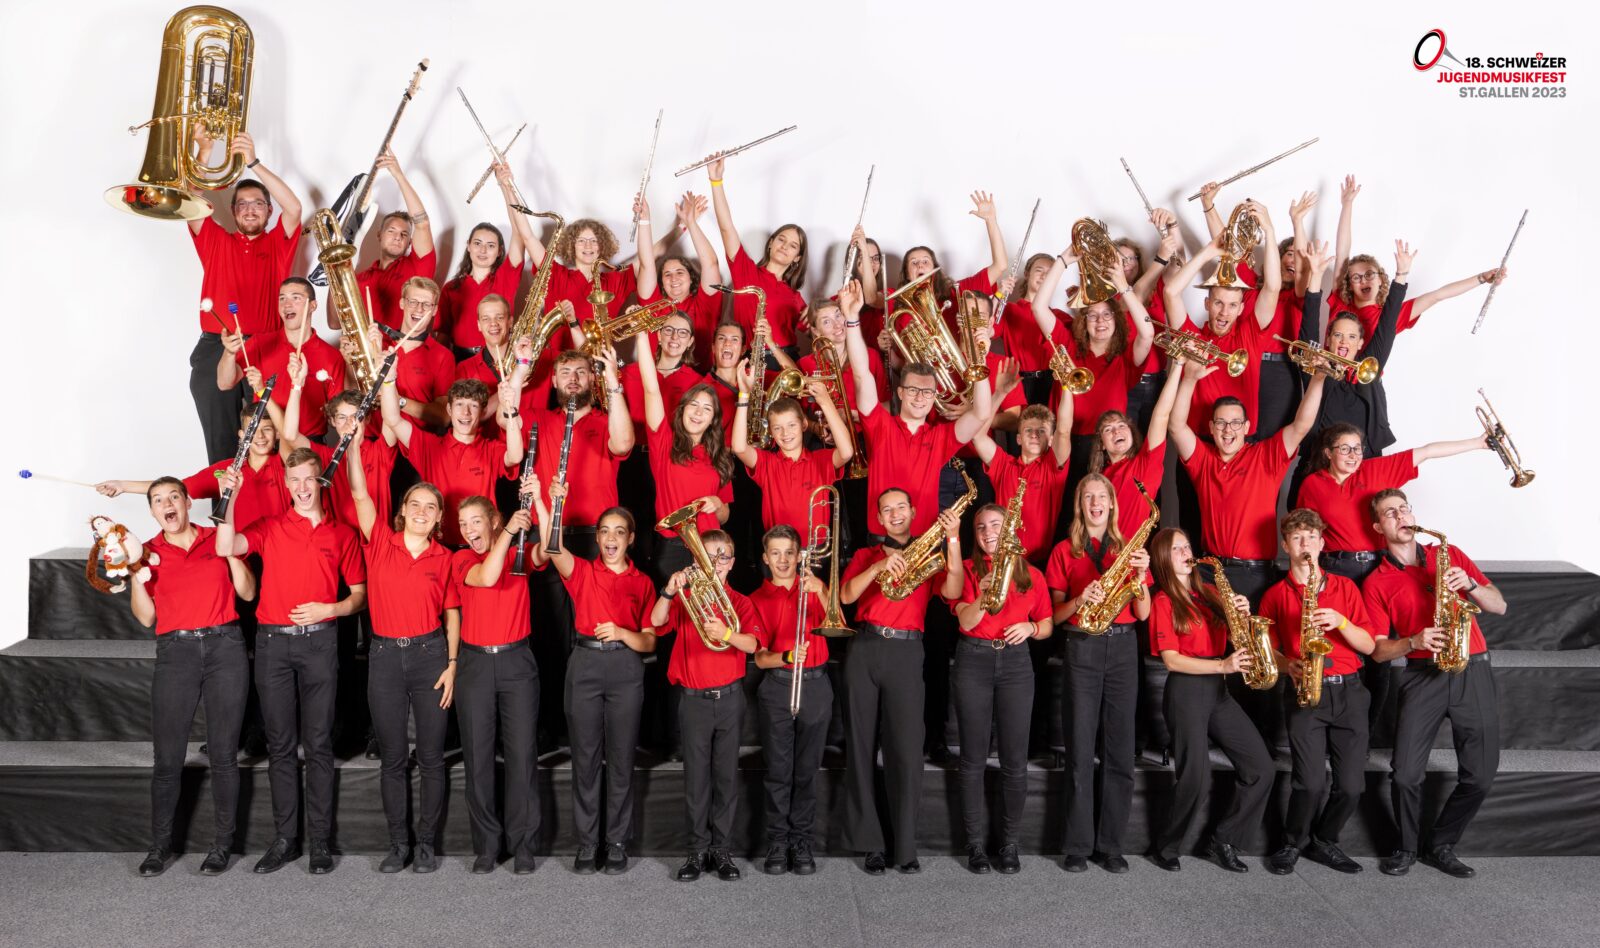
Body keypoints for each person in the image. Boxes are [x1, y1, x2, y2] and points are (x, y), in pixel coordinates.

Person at [214, 448, 366, 875]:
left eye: (308, 479)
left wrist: (331, 609)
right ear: (287, 484)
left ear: (322, 481)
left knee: (318, 744)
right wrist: (229, 497)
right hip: (273, 646)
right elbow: (226, 545)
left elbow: (360, 595)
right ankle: (285, 840)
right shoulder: (270, 526)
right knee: (280, 745)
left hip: (320, 643)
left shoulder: (342, 534)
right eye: (294, 479)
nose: (302, 487)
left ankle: (320, 841)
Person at [1363, 489, 1508, 879]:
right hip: (1422, 674)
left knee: (1481, 776)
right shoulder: (1376, 582)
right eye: (1390, 513)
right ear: (1378, 527)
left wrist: (1471, 585)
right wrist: (1412, 641)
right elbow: (1377, 652)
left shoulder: (1450, 554)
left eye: (1404, 509)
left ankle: (1441, 844)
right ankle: (1407, 847)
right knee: (1405, 774)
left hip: (1472, 669)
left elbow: (1499, 605)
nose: (1401, 516)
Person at [130, 477, 257, 877]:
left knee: (223, 754)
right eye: (158, 500)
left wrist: (230, 552)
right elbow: (146, 617)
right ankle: (159, 846)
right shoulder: (146, 553)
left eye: (174, 497)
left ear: (187, 502)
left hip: (225, 648)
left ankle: (222, 845)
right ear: (152, 511)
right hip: (176, 653)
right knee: (167, 758)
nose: (167, 504)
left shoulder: (216, 538)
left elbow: (248, 593)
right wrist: (134, 573)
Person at [344, 436, 458, 874]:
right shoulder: (379, 541)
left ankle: (426, 843)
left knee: (430, 757)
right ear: (403, 510)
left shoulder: (445, 558)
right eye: (415, 504)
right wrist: (353, 447)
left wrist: (452, 665)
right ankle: (398, 844)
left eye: (431, 507)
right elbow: (359, 494)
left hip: (430, 656)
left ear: (439, 518)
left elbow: (452, 613)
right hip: (386, 657)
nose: (422, 512)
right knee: (393, 758)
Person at [837, 490, 963, 875]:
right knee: (860, 748)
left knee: (906, 751)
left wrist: (953, 539)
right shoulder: (865, 555)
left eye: (901, 507)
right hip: (865, 647)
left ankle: (905, 847)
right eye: (887, 509)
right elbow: (845, 596)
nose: (894, 514)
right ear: (878, 517)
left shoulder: (929, 553)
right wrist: (878, 567)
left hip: (907, 651)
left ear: (913, 512)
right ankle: (870, 844)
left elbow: (953, 591)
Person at [540, 493, 658, 875]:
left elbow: (649, 641)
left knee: (621, 759)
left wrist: (622, 632)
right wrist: (552, 503)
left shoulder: (642, 583)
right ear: (597, 537)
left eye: (619, 532)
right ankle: (588, 843)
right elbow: (552, 546)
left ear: (630, 539)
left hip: (625, 668)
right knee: (586, 759)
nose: (611, 538)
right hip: (585, 665)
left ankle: (617, 842)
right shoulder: (583, 572)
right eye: (605, 531)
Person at [1257, 509, 1377, 876]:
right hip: (1305, 692)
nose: (1305, 544)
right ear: (1286, 545)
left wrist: (1341, 621)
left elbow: (1369, 645)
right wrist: (1288, 664)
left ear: (1322, 543)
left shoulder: (1345, 588)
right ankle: (1292, 842)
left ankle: (1324, 841)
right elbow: (1268, 653)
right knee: (1308, 783)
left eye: (1311, 537)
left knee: (1352, 786)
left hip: (1349, 691)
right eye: (1297, 538)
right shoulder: (1275, 595)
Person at [1146, 527, 1273, 873]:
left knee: (1261, 768)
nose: (1186, 553)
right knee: (1196, 779)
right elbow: (1171, 660)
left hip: (1218, 691)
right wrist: (1223, 665)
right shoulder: (1163, 601)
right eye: (1176, 549)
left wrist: (1242, 614)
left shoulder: (1212, 593)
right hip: (1186, 692)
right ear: (1163, 559)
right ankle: (1166, 847)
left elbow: (1237, 637)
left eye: (1187, 546)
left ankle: (1224, 840)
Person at [1045, 474, 1151, 874]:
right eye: (1088, 496)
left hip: (1123, 647)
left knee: (1119, 749)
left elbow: (1143, 613)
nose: (1095, 503)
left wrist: (1139, 580)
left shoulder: (1130, 549)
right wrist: (1078, 600)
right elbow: (1054, 617)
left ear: (1111, 503)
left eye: (1101, 496)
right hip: (1082, 646)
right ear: (1080, 504)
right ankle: (1077, 845)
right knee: (1079, 746)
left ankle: (1111, 846)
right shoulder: (1063, 551)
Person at [1168, 351, 1328, 605]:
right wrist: (1188, 380)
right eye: (1221, 423)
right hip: (1210, 572)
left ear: (1246, 427)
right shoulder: (1203, 459)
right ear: (1211, 428)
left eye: (1235, 423)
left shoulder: (1266, 455)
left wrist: (1318, 379)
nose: (1227, 430)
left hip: (1256, 575)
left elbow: (1301, 425)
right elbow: (1176, 426)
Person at [649, 529, 762, 882]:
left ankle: (722, 850)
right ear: (697, 561)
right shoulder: (686, 598)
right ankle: (697, 850)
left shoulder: (741, 602)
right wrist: (669, 590)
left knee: (726, 778)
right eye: (708, 556)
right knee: (696, 780)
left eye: (722, 556)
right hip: (694, 701)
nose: (716, 562)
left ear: (732, 563)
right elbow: (656, 621)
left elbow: (753, 644)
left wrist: (725, 634)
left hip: (729, 699)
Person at [946, 503, 1053, 874]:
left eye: (995, 525)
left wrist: (1032, 628)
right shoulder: (967, 570)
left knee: (1014, 760)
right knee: (972, 758)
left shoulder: (1032, 574)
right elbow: (964, 620)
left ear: (1010, 530)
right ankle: (975, 845)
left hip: (1016, 664)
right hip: (973, 659)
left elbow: (1047, 624)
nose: (988, 532)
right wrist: (982, 594)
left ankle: (1009, 844)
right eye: (980, 527)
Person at [186, 132, 303, 464]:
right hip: (216, 347)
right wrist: (205, 152)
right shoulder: (216, 240)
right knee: (221, 445)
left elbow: (294, 207)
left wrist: (253, 162)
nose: (250, 210)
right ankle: (224, 499)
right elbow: (189, 201)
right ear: (233, 210)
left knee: (269, 441)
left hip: (267, 348)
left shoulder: (278, 243)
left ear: (269, 210)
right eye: (243, 204)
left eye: (258, 204)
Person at [452, 489, 542, 875]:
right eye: (462, 524)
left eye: (476, 521)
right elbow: (488, 578)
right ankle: (487, 846)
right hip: (474, 664)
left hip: (516, 662)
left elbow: (550, 549)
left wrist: (540, 502)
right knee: (478, 757)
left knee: (522, 755)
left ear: (492, 520)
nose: (468, 530)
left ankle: (523, 845)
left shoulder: (521, 553)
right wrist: (508, 532)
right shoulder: (461, 559)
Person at [1029, 241, 1156, 489]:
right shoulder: (1068, 346)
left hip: (1108, 447)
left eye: (1107, 314)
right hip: (1066, 442)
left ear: (1116, 320)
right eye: (1092, 315)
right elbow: (1038, 307)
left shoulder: (1125, 358)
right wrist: (1062, 261)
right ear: (1083, 321)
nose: (1100, 321)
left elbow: (1148, 332)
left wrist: (1122, 285)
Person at [1297, 423, 1492, 584]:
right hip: (1336, 567)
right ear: (1328, 453)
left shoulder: (1376, 469)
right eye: (1345, 449)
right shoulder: (1312, 484)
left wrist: (1478, 442)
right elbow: (1305, 531)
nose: (1353, 455)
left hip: (1380, 565)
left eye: (1357, 448)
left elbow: (1427, 451)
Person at [378, 338, 526, 548]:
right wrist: (389, 379)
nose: (466, 413)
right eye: (459, 405)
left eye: (473, 406)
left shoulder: (490, 449)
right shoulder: (429, 446)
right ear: (449, 409)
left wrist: (509, 408)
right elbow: (393, 419)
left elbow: (515, 456)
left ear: (482, 412)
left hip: (481, 548)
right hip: (440, 548)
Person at [1331, 174, 1509, 342]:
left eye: (1369, 274)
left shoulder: (1392, 315)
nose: (1363, 280)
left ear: (1380, 280)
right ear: (1349, 285)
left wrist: (1481, 278)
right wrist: (1347, 205)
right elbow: (1342, 253)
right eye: (1356, 277)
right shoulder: (1341, 303)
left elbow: (1438, 295)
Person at [747, 525, 832, 876]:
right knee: (779, 772)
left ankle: (802, 841)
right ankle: (778, 842)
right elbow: (759, 658)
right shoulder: (756, 598)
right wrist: (786, 656)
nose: (783, 560)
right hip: (778, 686)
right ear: (766, 559)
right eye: (775, 553)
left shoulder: (815, 587)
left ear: (799, 557)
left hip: (816, 685)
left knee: (807, 771)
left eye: (789, 553)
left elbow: (839, 623)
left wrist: (822, 590)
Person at [1293, 239, 1412, 474]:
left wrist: (1401, 275)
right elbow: (1309, 324)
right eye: (1337, 335)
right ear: (1328, 340)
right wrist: (1315, 276)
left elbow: (1387, 326)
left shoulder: (1369, 366)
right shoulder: (1317, 366)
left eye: (1351, 337)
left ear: (1360, 343)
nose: (1344, 342)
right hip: (1319, 463)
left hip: (1364, 462)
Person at [95, 404, 288, 531]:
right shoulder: (227, 469)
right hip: (241, 552)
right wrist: (123, 485)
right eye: (252, 430)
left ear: (278, 434)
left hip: (280, 548)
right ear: (241, 435)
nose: (260, 436)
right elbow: (176, 487)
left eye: (267, 429)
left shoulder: (287, 464)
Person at [217, 277, 348, 439]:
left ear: (312, 306)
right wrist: (229, 353)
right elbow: (224, 383)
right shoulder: (260, 343)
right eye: (282, 298)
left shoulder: (332, 356)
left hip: (308, 444)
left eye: (296, 298)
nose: (287, 304)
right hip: (266, 442)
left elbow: (337, 413)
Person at [706, 157, 807, 359]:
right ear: (770, 243)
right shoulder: (747, 272)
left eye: (793, 245)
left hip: (786, 362)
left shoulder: (795, 297)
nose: (784, 246)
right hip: (750, 359)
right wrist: (716, 181)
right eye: (781, 239)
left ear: (797, 258)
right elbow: (727, 228)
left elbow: (819, 330)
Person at [732, 369, 854, 534]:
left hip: (816, 548)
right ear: (771, 432)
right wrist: (744, 395)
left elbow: (846, 452)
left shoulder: (820, 460)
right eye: (777, 428)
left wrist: (826, 402)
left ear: (804, 425)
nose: (785, 433)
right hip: (777, 547)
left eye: (791, 425)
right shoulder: (766, 462)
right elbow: (739, 448)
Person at [970, 382, 1073, 565]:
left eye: (1041, 431)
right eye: (1028, 430)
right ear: (1018, 438)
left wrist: (1067, 386)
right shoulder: (1004, 464)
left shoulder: (1052, 467)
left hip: (1038, 563)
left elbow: (1064, 431)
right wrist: (1000, 393)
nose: (1034, 435)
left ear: (1051, 440)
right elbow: (977, 435)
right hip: (1002, 558)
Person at [436, 164, 528, 356]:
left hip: (498, 357)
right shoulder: (451, 288)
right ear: (468, 246)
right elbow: (443, 336)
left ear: (499, 252)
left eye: (491, 245)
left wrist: (506, 186)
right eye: (477, 243)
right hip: (461, 359)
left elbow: (520, 232)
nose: (483, 250)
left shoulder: (506, 277)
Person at [1090, 365, 1182, 540]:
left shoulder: (1145, 464)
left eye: (1121, 425)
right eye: (1108, 429)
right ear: (1101, 444)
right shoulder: (1098, 479)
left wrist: (1178, 365)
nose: (1116, 431)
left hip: (1129, 553)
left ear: (1131, 433)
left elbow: (1161, 415)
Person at [635, 193, 725, 367]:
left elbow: (711, 264)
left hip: (697, 379)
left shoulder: (705, 304)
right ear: (661, 282)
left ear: (691, 279)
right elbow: (646, 264)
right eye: (667, 274)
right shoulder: (654, 305)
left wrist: (691, 223)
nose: (673, 278)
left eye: (679, 272)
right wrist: (644, 220)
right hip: (655, 378)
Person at [351, 151, 437, 331]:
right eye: (391, 231)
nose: (398, 237)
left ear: (410, 243)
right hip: (368, 348)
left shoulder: (417, 268)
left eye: (404, 234)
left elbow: (422, 223)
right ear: (379, 235)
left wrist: (398, 174)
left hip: (404, 346)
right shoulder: (360, 278)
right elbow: (334, 323)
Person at [387, 277, 458, 430]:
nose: (419, 309)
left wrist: (396, 400)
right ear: (402, 303)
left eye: (426, 304)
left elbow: (444, 417)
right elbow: (355, 394)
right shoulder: (380, 344)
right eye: (413, 302)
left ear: (434, 310)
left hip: (417, 442)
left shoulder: (443, 356)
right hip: (375, 441)